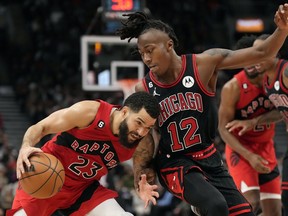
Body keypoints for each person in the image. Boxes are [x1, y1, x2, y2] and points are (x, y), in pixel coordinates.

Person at [116, 4, 288, 216]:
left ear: (169, 45)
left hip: (209, 159)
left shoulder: (204, 65)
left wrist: (282, 30)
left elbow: (261, 52)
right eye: (142, 53)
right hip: (173, 163)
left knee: (244, 212)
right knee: (215, 206)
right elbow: (146, 134)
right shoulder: (144, 88)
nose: (147, 59)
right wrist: (142, 171)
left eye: (150, 50)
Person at [6, 91, 160, 216]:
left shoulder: (139, 141)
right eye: (139, 122)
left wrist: (140, 183)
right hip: (45, 178)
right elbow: (41, 127)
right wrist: (26, 146)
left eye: (148, 127)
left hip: (82, 189)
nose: (141, 132)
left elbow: (141, 165)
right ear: (125, 112)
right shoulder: (90, 113)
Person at [218, 35, 282, 215]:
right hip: (241, 150)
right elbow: (223, 129)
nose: (251, 63)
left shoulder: (272, 79)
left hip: (266, 147)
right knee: (251, 204)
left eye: (255, 58)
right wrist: (250, 156)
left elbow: (282, 110)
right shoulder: (233, 88)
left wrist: (254, 121)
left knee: (274, 213)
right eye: (246, 58)